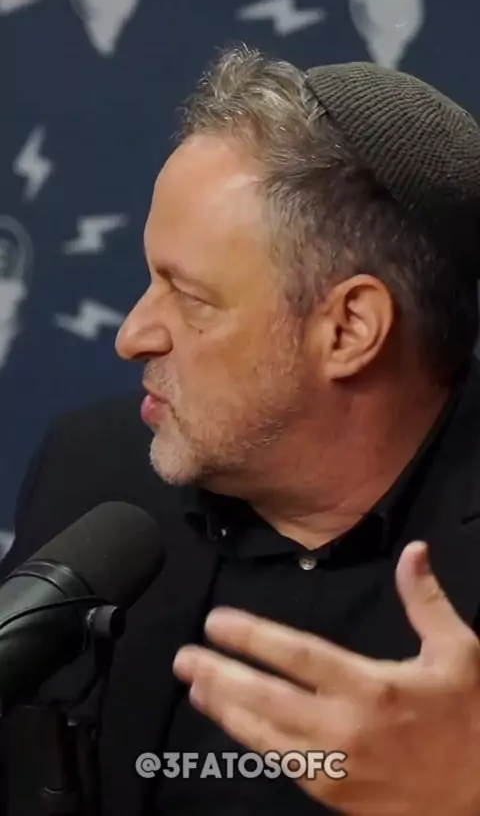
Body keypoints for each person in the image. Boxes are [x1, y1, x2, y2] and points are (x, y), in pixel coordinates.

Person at [2, 44, 480, 816]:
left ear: (349, 329)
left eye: (189, 297)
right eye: (150, 279)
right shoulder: (92, 469)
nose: (131, 336)